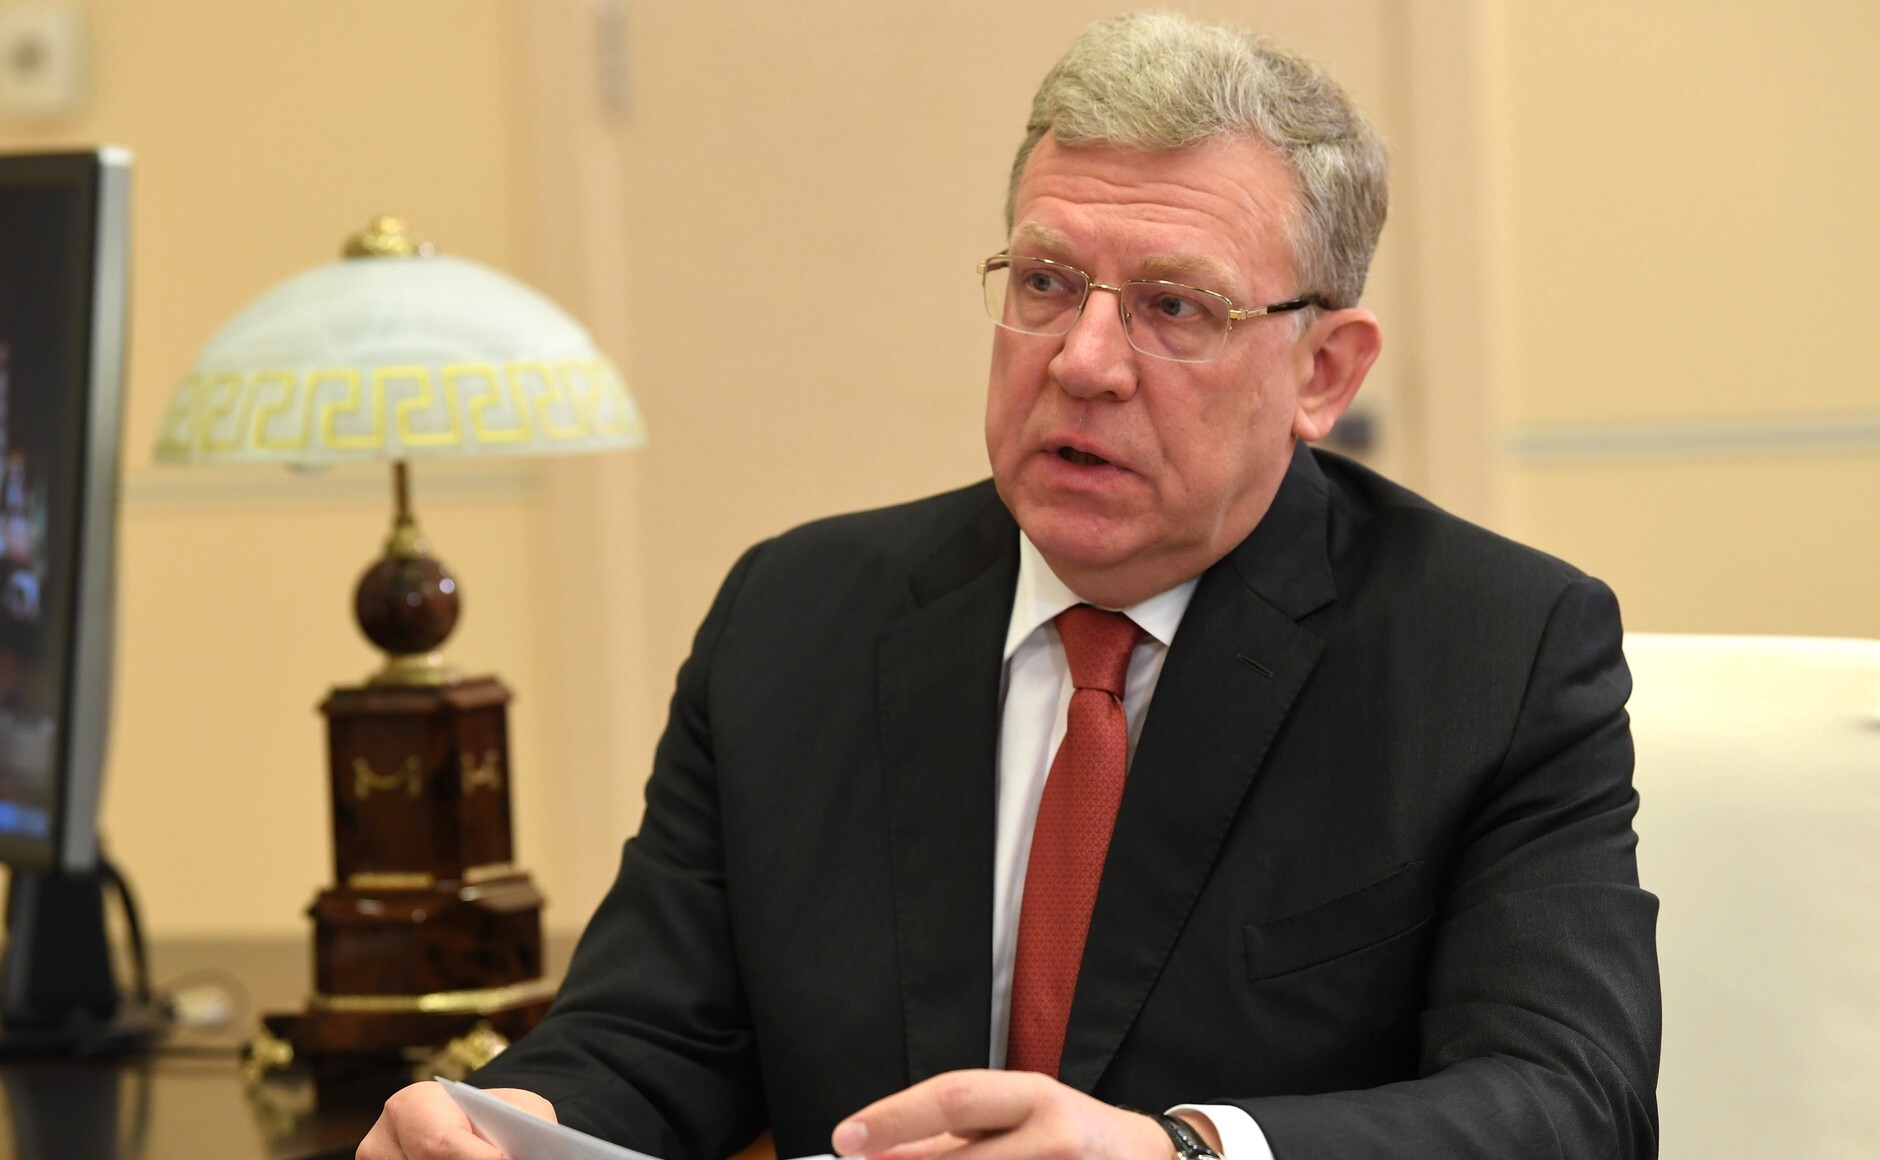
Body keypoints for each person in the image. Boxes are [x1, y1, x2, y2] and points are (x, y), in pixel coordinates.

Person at [360, 13, 1658, 1160]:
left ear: (1323, 372)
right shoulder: (794, 619)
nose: (1084, 360)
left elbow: (1568, 1104)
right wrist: (505, 1124)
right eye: (1046, 284)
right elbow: (651, 1038)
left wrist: (1180, 1152)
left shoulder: (1496, 652)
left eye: (1174, 307)